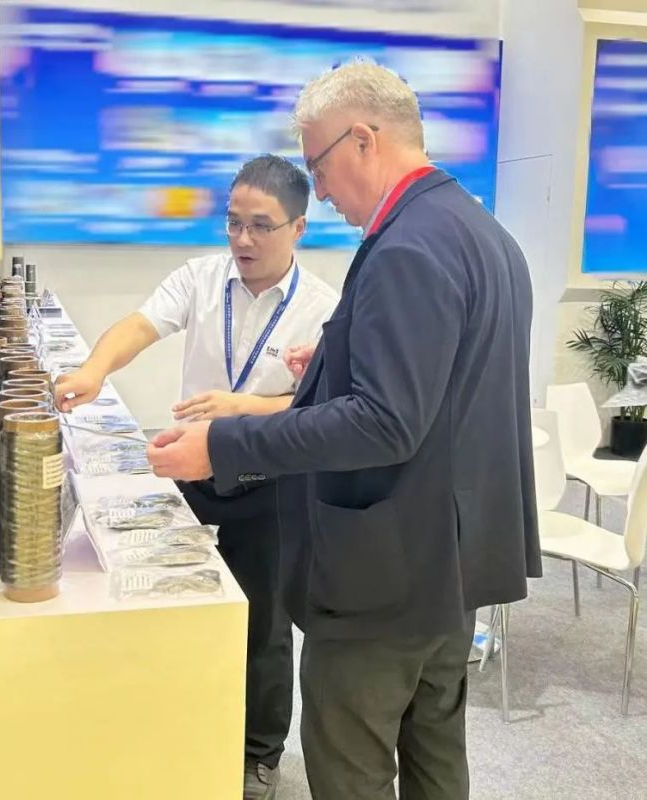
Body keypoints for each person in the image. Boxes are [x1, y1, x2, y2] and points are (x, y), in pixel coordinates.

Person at [146, 61, 542, 800]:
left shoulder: (407, 247)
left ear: (364, 138)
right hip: (452, 564)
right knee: (435, 752)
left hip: (386, 575)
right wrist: (332, 360)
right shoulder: (482, 232)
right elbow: (445, 390)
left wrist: (223, 444)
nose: (321, 192)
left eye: (320, 167)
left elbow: (386, 422)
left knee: (349, 761)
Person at [54, 154, 338, 800]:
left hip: (270, 484)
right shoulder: (202, 278)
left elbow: (317, 409)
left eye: (260, 225)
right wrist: (95, 370)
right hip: (192, 468)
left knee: (264, 626)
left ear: (298, 228)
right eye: (233, 222)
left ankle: (258, 755)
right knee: (172, 599)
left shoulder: (323, 308)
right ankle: (174, 723)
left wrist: (242, 408)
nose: (243, 238)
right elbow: (140, 325)